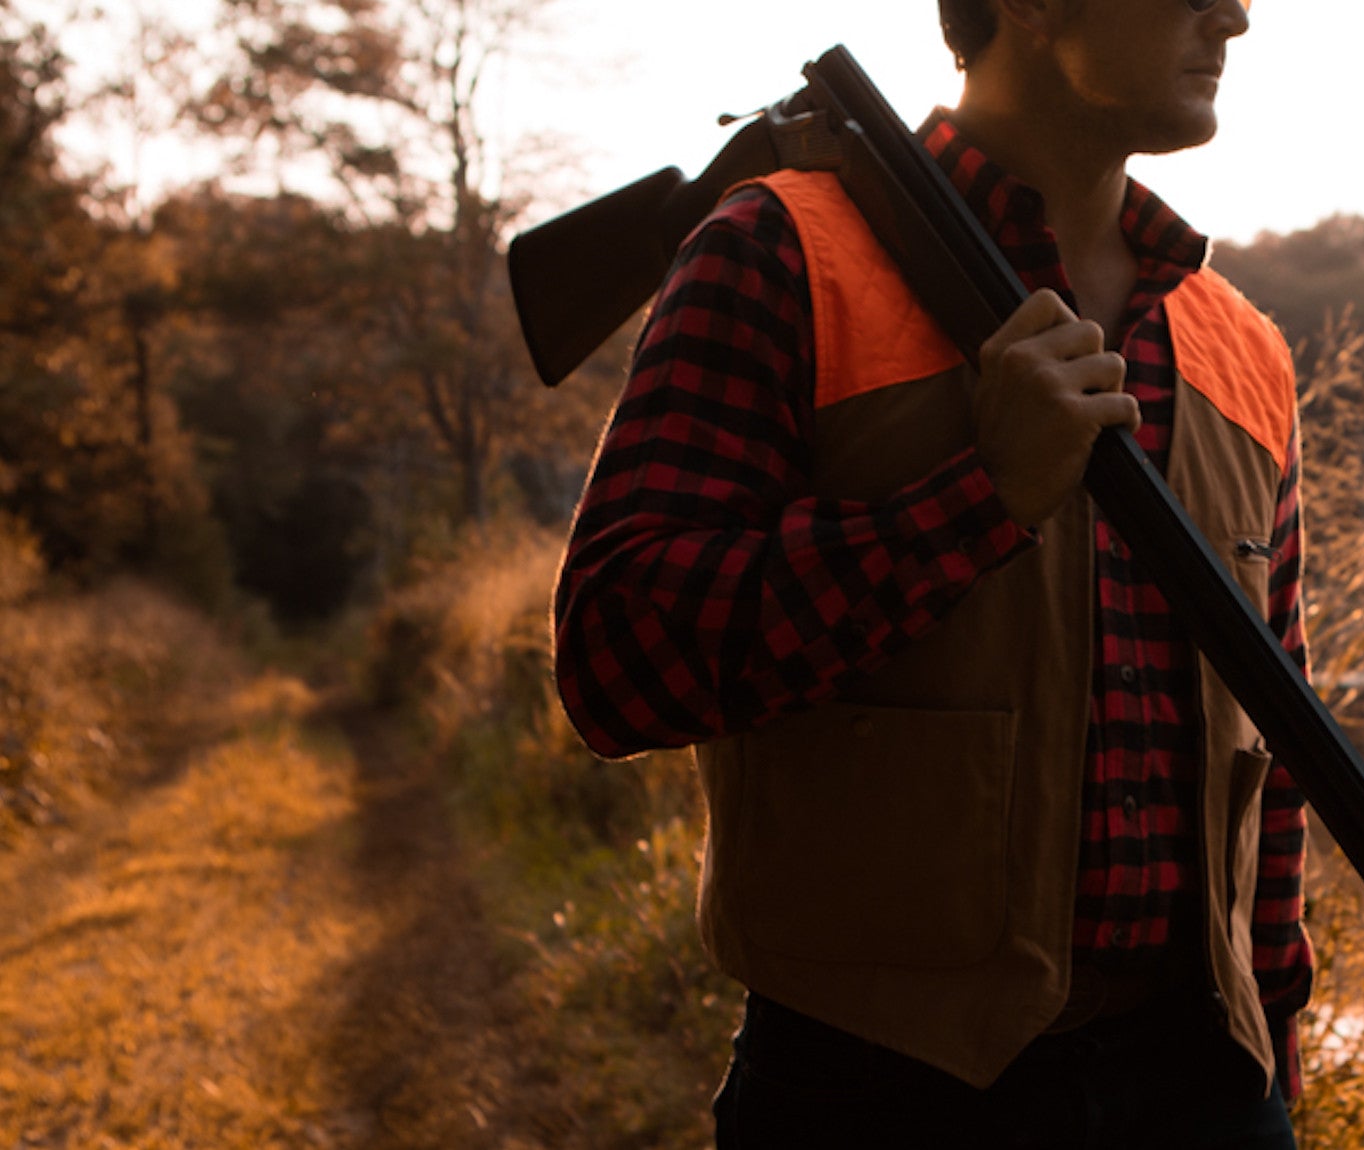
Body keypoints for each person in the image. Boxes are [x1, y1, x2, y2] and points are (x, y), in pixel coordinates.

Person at [551, 0, 1311, 1145]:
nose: (1238, 15)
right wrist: (980, 498)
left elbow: (1279, 739)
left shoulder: (1241, 343)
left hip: (1205, 1088)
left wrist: (1272, 1052)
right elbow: (616, 660)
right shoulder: (773, 250)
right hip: (881, 1093)